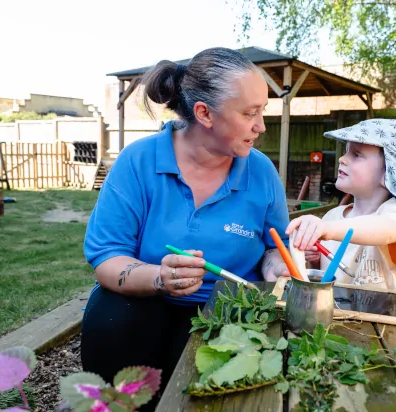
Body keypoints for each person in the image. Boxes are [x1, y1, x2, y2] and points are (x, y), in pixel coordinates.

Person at [81, 47, 290, 403]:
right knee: (110, 316)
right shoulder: (139, 161)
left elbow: (275, 245)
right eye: (249, 113)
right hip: (145, 300)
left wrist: (277, 267)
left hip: (227, 308)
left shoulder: (261, 172)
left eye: (263, 111)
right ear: (204, 113)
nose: (261, 126)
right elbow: (107, 258)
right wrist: (160, 278)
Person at [286, 119, 396, 295]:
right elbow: (325, 276)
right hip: (332, 317)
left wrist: (326, 229)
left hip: (380, 321)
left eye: (357, 155)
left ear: (389, 174)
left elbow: (385, 229)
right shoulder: (332, 216)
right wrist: (314, 261)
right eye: (346, 152)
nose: (342, 159)